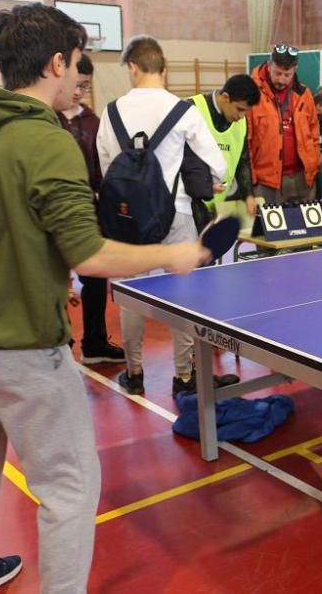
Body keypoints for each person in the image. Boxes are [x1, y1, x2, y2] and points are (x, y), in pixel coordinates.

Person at [0, 2, 210, 594]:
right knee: (69, 482)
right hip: (17, 340)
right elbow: (89, 256)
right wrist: (172, 255)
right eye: (79, 64)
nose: (81, 77)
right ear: (57, 62)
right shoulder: (48, 142)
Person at [97, 35, 231, 397]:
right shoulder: (183, 109)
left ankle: (135, 371)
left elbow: (108, 167)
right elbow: (216, 163)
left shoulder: (111, 112)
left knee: (130, 295)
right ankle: (184, 375)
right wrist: (214, 182)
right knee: (183, 295)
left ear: (132, 67)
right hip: (177, 215)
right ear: (164, 68)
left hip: (130, 221)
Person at [56, 53, 125, 365]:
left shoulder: (94, 122)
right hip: (49, 214)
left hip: (86, 211)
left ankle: (94, 342)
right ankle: (60, 342)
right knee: (53, 279)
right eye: (75, 84)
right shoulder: (45, 118)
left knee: (95, 278)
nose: (78, 91)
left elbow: (101, 172)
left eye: (84, 86)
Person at [247, 44, 321, 205]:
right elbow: (246, 141)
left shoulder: (304, 94)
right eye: (277, 73)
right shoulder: (252, 95)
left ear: (295, 69)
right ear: (269, 65)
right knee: (267, 230)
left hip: (303, 179)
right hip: (265, 182)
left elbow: (314, 133)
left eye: (287, 74)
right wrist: (251, 179)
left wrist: (314, 164)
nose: (282, 79)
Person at [186, 73, 262, 229]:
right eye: (240, 109)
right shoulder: (191, 110)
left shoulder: (241, 122)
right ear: (225, 97)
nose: (242, 116)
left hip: (216, 207)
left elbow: (243, 160)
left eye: (246, 111)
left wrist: (248, 195)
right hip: (187, 208)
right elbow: (176, 162)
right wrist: (203, 186)